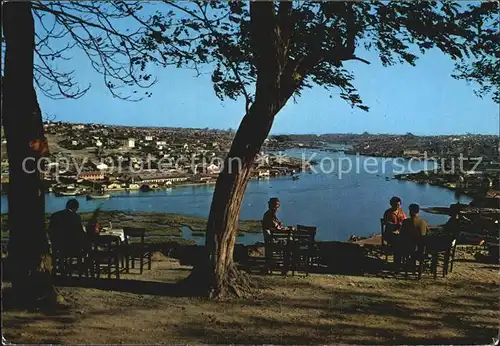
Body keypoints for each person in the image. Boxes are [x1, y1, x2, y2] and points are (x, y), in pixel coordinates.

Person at [397, 203, 429, 270]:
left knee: (397, 245)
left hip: (409, 248)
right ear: (418, 211)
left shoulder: (406, 222)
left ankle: (397, 265)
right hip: (421, 249)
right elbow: (426, 233)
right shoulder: (423, 222)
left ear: (410, 211)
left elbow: (401, 235)